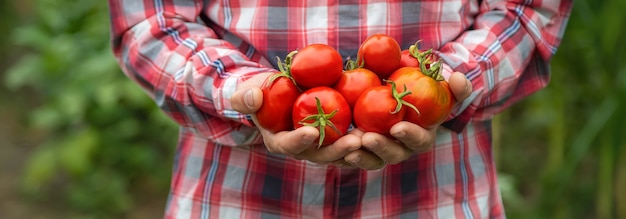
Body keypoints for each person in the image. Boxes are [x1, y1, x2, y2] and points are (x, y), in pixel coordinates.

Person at [108, 0, 572, 218]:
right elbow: (152, 19)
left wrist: (449, 82)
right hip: (236, 197)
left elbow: (526, 8)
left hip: (437, 195)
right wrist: (243, 92)